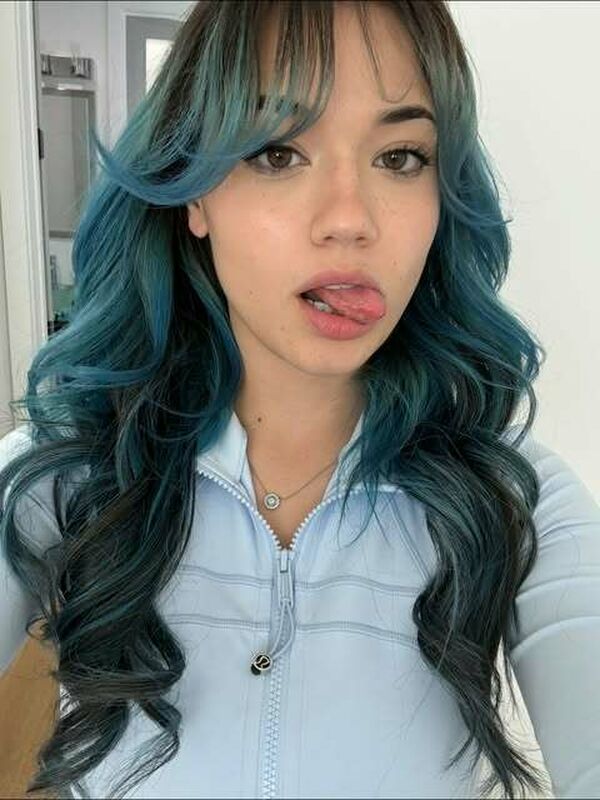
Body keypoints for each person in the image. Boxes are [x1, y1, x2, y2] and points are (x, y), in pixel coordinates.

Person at [0, 1, 599, 797]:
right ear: (195, 195)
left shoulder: (519, 500)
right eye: (277, 151)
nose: (350, 221)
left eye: (400, 157)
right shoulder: (58, 476)